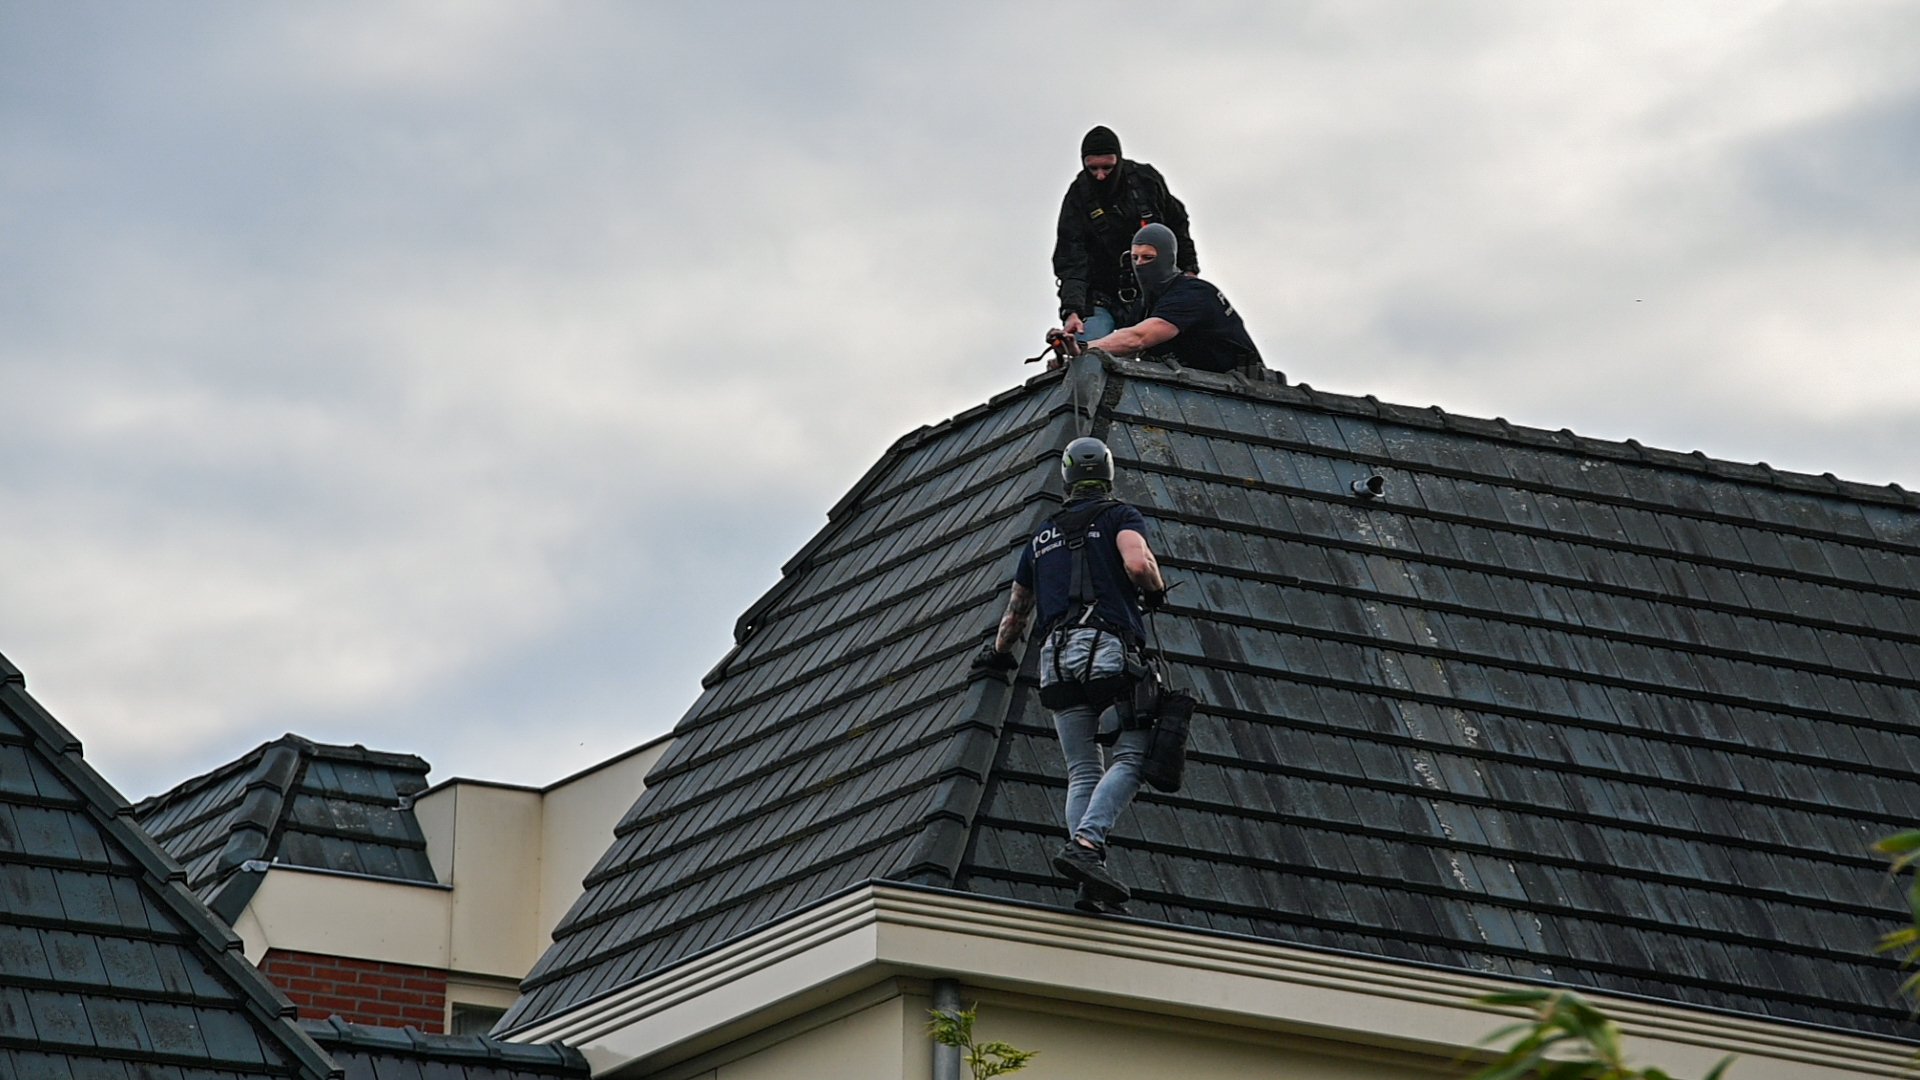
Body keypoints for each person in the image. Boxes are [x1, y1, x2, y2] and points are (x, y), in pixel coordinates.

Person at [972, 437, 1169, 910]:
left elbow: (1016, 612)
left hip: (1055, 663)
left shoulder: (1040, 537)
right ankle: (1085, 846)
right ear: (1108, 475)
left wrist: (999, 655)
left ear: (1065, 478)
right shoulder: (1121, 516)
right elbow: (1138, 562)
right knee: (1135, 758)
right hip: (1107, 654)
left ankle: (1088, 877)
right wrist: (1155, 589)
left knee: (1082, 770)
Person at [1053, 126, 1199, 344]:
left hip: (1153, 293)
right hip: (1102, 297)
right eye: (1092, 168)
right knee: (1085, 350)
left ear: (1118, 160)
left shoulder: (1147, 181)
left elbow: (1177, 224)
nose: (1100, 176)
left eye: (1107, 168)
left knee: (1181, 348)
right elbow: (1071, 261)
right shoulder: (1077, 198)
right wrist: (1071, 311)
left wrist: (1189, 270)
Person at [1085, 223, 1264, 376]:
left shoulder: (1193, 294)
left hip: (1246, 394)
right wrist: (1064, 357)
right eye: (1134, 258)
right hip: (1196, 391)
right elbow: (1122, 348)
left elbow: (1137, 338)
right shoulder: (1143, 306)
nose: (1139, 264)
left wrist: (1083, 348)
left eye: (1148, 257)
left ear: (1166, 258)